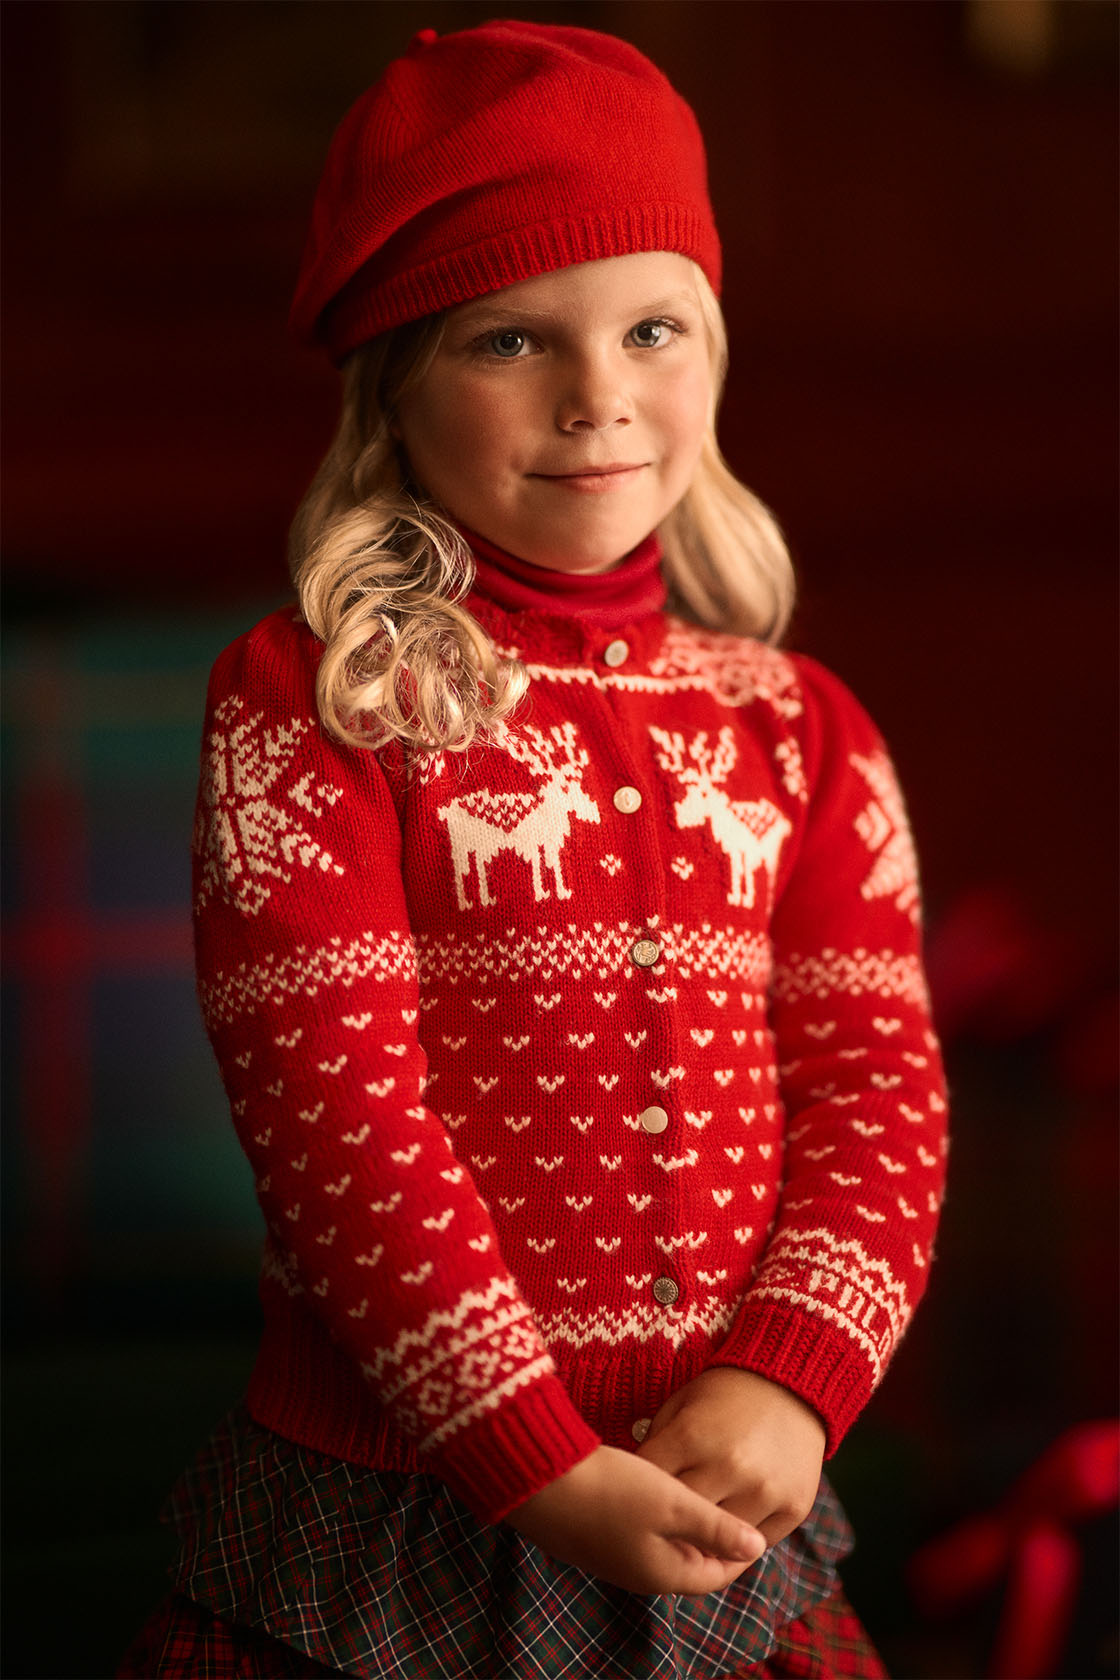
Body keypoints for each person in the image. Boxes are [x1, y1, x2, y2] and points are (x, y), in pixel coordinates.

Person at [120, 20, 947, 1679]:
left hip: (728, 1500)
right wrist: (531, 1454)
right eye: (511, 341)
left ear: (712, 346)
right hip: (405, 1504)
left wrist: (796, 1378)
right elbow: (332, 1102)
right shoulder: (314, 706)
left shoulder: (800, 728)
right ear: (394, 387)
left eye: (653, 328)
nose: (599, 399)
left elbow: (877, 1073)